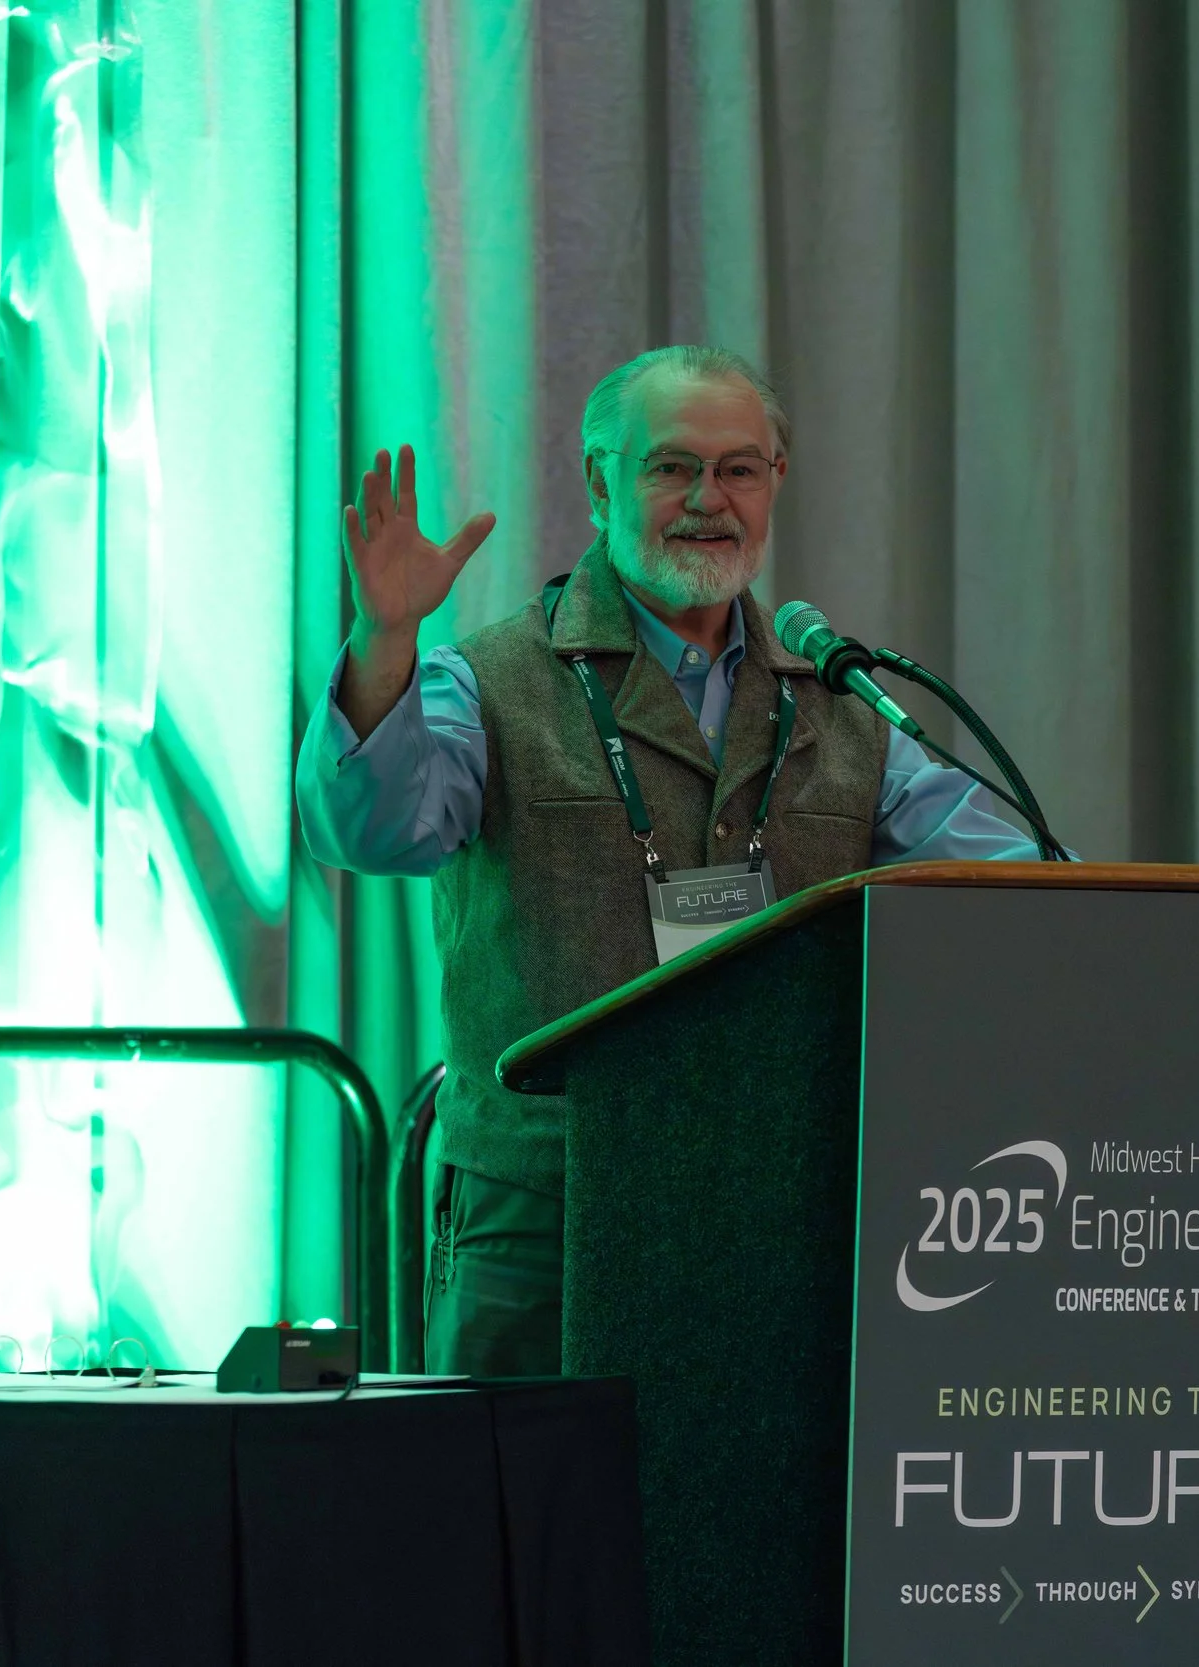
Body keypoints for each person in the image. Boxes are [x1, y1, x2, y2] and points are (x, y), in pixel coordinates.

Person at [298, 344, 1047, 1375]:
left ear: (775, 482)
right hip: (545, 1209)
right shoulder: (493, 680)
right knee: (531, 1528)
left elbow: (1020, 884)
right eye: (671, 467)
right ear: (601, 484)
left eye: (739, 467)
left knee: (741, 1527)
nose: (708, 498)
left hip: (771, 1210)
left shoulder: (835, 699)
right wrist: (386, 637)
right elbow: (370, 830)